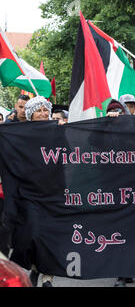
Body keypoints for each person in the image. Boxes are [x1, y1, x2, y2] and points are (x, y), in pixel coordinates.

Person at [23, 96, 54, 287]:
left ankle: (48, 276)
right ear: (30, 114)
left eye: (45, 110)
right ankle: (35, 266)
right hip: (29, 192)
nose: (43, 113)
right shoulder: (21, 134)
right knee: (33, 233)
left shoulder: (57, 131)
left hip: (53, 191)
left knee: (51, 233)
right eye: (38, 110)